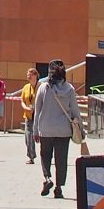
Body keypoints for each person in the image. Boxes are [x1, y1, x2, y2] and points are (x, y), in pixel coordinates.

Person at [31, 59, 82, 199]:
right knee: (61, 159)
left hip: (46, 129)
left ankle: (47, 178)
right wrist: (81, 129)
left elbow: (37, 110)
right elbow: (75, 111)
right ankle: (58, 188)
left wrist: (35, 130)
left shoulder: (43, 87)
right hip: (63, 130)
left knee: (45, 155)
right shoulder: (69, 89)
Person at [19, 67, 41, 164]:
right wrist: (26, 108)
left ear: (36, 75)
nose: (29, 76)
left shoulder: (41, 86)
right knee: (28, 137)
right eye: (28, 74)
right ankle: (31, 157)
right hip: (28, 115)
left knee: (43, 137)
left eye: (31, 74)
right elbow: (22, 101)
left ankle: (47, 156)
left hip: (39, 116)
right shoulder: (26, 87)